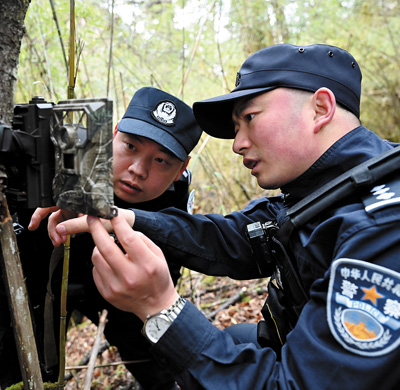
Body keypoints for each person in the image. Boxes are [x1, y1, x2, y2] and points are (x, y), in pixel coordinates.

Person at [36, 44, 400, 389]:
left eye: (249, 119)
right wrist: (128, 219)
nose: (238, 143)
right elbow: (235, 238)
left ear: (320, 108)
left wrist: (161, 308)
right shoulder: (331, 192)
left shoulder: (380, 230)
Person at [13, 86, 202, 390]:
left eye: (161, 161)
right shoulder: (69, 156)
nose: (138, 170)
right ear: (113, 135)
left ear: (182, 168)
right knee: (33, 364)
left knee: (158, 368)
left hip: (124, 292)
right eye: (130, 147)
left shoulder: (175, 203)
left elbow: (166, 274)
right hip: (51, 278)